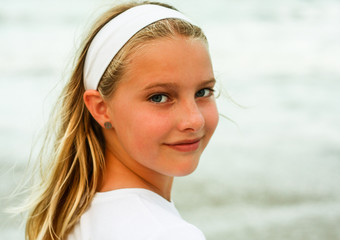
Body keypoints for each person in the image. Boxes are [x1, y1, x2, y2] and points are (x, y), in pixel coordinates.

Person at [25, 1, 218, 239]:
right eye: (159, 97)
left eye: (203, 92)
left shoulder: (73, 219)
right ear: (101, 108)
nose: (194, 120)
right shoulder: (167, 232)